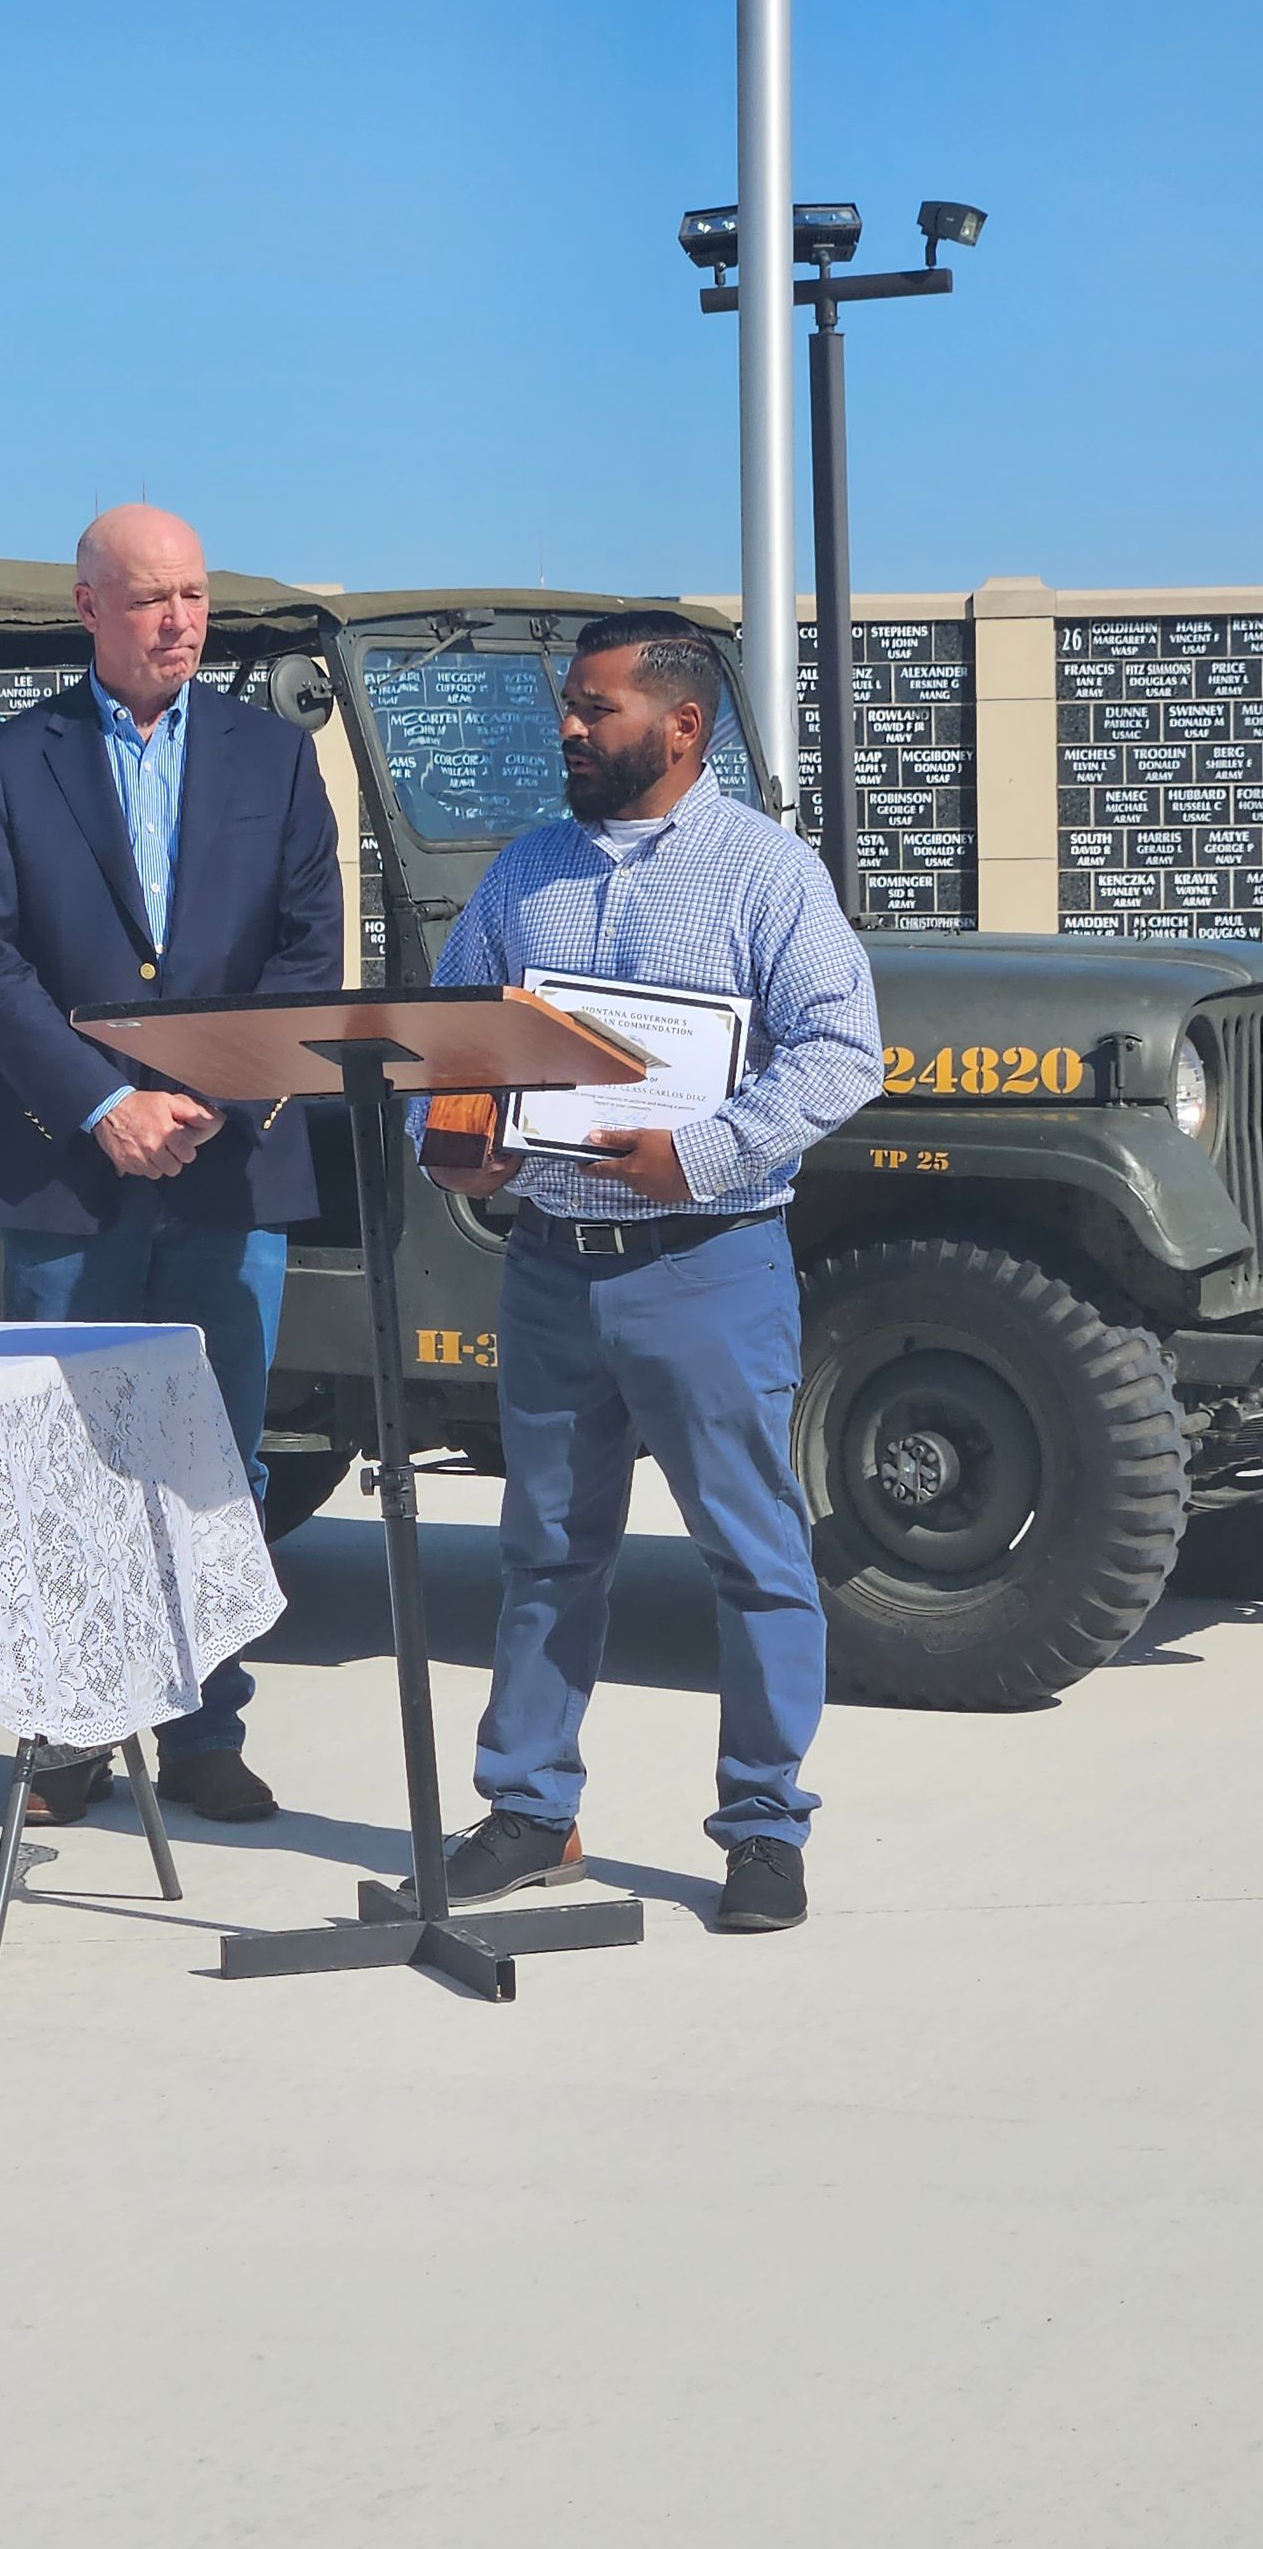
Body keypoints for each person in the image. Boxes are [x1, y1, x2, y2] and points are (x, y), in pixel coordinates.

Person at [414, 612, 882, 1933]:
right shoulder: (523, 877)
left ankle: (762, 1825)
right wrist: (454, 1150)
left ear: (681, 726)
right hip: (553, 1267)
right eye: (570, 706)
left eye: (595, 708)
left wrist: (709, 1154)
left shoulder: (765, 876)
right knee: (548, 1551)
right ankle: (529, 1812)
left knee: (752, 1551)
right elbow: (457, 1050)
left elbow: (843, 1051)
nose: (569, 728)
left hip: (708, 1264)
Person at [0, 504, 343, 1824]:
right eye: (150, 598)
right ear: (88, 610)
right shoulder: (13, 761)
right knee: (63, 1457)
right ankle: (66, 1729)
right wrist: (105, 1102)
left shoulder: (274, 760)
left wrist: (208, 1103)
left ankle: (204, 1727)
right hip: (70, 1172)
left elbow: (305, 954)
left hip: (228, 1173)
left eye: (193, 596)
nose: (180, 620)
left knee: (216, 1457)